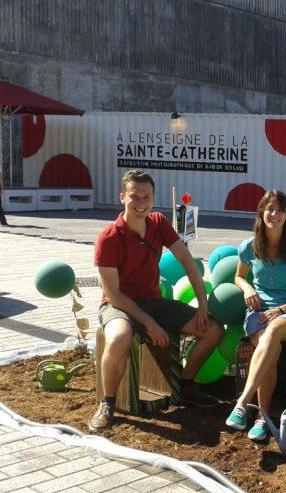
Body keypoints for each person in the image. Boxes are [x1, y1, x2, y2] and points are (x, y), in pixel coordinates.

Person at [91, 169, 223, 432]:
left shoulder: (159, 223)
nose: (140, 204)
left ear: (153, 198)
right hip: (118, 305)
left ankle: (186, 385)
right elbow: (114, 294)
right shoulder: (108, 237)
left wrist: (203, 307)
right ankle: (107, 403)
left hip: (153, 301)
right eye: (134, 197)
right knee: (118, 338)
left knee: (213, 330)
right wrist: (149, 323)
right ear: (122, 198)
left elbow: (188, 264)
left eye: (146, 197)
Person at [226, 190, 286, 441]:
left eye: (279, 210)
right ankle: (262, 418)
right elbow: (238, 276)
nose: (274, 214)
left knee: (273, 332)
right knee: (270, 348)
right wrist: (248, 288)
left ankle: (243, 403)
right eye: (269, 209)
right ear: (261, 213)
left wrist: (282, 309)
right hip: (258, 312)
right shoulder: (250, 246)